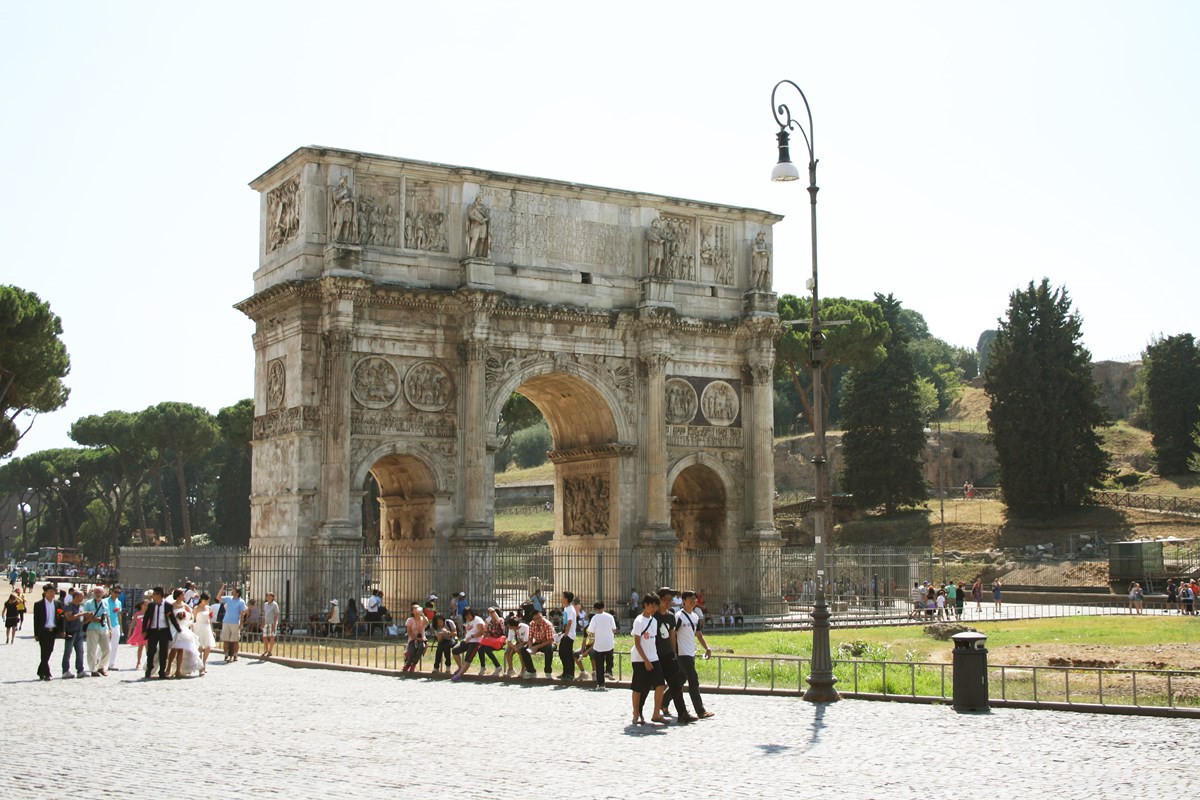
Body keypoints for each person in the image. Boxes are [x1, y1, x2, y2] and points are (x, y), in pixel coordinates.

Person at [648, 587, 694, 723]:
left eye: (670, 599)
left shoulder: (671, 616)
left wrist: (674, 653)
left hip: (668, 655)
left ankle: (683, 713)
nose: (668, 602)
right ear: (659, 600)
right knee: (651, 686)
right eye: (665, 600)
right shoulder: (653, 617)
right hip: (655, 656)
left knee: (675, 685)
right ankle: (639, 713)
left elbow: (672, 636)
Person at [675, 590, 713, 718]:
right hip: (681, 653)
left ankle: (664, 702)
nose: (693, 601)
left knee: (680, 680)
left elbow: (699, 634)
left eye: (694, 598)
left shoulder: (695, 616)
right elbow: (673, 634)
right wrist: (674, 651)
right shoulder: (678, 616)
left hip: (690, 652)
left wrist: (707, 648)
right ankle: (700, 711)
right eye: (690, 598)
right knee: (693, 680)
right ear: (684, 600)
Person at [630, 593, 665, 725]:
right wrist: (646, 661)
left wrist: (652, 658)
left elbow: (652, 640)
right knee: (638, 687)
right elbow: (638, 643)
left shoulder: (654, 621)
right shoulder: (639, 621)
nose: (654, 608)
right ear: (645, 605)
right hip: (639, 659)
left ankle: (656, 713)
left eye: (656, 606)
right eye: (652, 606)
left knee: (660, 684)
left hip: (653, 657)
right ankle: (636, 713)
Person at [141, 587, 178, 679]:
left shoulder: (168, 605)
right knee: (151, 652)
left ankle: (162, 672)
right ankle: (149, 669)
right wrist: (144, 630)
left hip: (164, 631)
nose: (152, 596)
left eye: (154, 594)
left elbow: (172, 618)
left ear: (159, 595)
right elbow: (146, 618)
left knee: (163, 653)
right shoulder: (151, 605)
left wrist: (178, 629)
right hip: (153, 631)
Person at [34, 583, 64, 680]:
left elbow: (61, 618)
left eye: (53, 592)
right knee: (44, 651)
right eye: (50, 592)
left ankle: (40, 671)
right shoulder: (38, 604)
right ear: (45, 593)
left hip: (53, 630)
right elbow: (36, 620)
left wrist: (62, 630)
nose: (52, 594)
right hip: (43, 631)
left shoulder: (57, 604)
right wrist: (36, 634)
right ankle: (46, 673)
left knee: (49, 650)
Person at [586, 601, 617, 688]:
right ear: (604, 607)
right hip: (609, 642)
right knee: (609, 659)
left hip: (598, 644)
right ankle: (608, 671)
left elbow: (591, 630)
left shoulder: (594, 618)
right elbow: (614, 629)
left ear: (595, 609)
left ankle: (601, 684)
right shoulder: (610, 616)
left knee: (599, 665)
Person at [450, 607, 486, 682]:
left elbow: (482, 632)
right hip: (467, 641)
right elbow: (467, 631)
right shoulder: (466, 621)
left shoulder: (478, 620)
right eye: (466, 616)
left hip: (476, 641)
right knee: (455, 651)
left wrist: (471, 637)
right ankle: (460, 667)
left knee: (468, 658)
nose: (468, 617)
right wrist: (466, 638)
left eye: (469, 615)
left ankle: (459, 675)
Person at [82, 585, 111, 677]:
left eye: (100, 592)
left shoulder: (105, 603)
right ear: (94, 593)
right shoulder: (88, 603)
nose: (98, 594)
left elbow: (108, 616)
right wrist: (96, 619)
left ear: (103, 593)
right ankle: (92, 669)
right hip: (92, 628)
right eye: (96, 592)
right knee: (91, 650)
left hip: (104, 628)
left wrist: (110, 628)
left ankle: (101, 667)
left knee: (107, 649)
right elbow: (85, 616)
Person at [215, 584, 248, 662]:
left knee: (235, 640)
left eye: (233, 590)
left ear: (237, 592)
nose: (232, 591)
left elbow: (242, 613)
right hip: (226, 621)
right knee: (226, 639)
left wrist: (241, 624)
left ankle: (235, 655)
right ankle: (226, 654)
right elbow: (218, 597)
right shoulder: (228, 599)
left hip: (235, 622)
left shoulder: (241, 601)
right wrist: (222, 588)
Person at [61, 589, 85, 678]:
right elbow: (69, 618)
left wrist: (88, 616)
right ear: (76, 597)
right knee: (68, 651)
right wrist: (81, 614)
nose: (83, 598)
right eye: (81, 596)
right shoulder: (69, 606)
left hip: (79, 631)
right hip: (70, 631)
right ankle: (65, 671)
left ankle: (80, 670)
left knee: (80, 652)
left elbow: (83, 619)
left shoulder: (81, 606)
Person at [526, 605, 556, 677]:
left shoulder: (547, 624)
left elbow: (550, 640)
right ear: (533, 619)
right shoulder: (532, 624)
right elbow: (530, 638)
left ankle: (548, 671)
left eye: (540, 617)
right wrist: (530, 647)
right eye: (536, 619)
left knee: (549, 649)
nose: (539, 620)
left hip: (549, 643)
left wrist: (536, 647)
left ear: (542, 616)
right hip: (537, 642)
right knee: (524, 650)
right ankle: (531, 671)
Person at [476, 607, 505, 676]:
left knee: (487, 649)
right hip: (490, 642)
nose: (491, 615)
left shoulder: (500, 620)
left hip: (499, 641)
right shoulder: (489, 622)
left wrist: (493, 611)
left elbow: (498, 622)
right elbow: (486, 633)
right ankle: (483, 667)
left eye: (492, 613)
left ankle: (498, 667)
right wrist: (485, 626)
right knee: (480, 649)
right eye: (489, 613)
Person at [192, 594, 217, 674]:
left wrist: (212, 630)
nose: (206, 602)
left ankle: (204, 663)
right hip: (199, 627)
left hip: (207, 627)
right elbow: (193, 619)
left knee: (208, 646)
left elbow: (210, 620)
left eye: (207, 601)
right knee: (199, 646)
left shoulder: (208, 608)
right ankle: (200, 666)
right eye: (205, 600)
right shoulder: (196, 608)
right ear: (202, 599)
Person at [557, 591, 578, 681]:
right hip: (566, 634)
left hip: (569, 635)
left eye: (562, 597)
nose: (560, 598)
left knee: (566, 654)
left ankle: (570, 673)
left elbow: (569, 622)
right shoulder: (566, 608)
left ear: (566, 599)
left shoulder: (570, 609)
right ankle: (566, 672)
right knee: (562, 653)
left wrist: (565, 634)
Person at [402, 604, 428, 673]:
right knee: (412, 652)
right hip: (412, 639)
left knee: (421, 647)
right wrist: (416, 638)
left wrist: (422, 614)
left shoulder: (423, 618)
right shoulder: (410, 620)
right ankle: (408, 664)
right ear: (412, 611)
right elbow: (409, 632)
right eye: (415, 608)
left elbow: (427, 622)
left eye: (418, 607)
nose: (417, 609)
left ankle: (414, 664)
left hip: (422, 639)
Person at [105, 585, 123, 671]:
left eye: (119, 593)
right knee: (105, 645)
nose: (117, 594)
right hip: (106, 625)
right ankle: (98, 661)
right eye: (115, 592)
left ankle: (111, 664)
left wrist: (121, 627)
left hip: (116, 625)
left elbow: (119, 615)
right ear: (111, 592)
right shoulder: (105, 601)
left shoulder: (118, 602)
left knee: (114, 646)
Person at [261, 591, 280, 658]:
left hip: (272, 622)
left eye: (270, 596)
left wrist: (274, 624)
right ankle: (266, 649)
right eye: (267, 596)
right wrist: (262, 622)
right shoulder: (265, 604)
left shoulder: (275, 604)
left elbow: (277, 614)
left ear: (272, 597)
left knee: (272, 637)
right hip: (266, 622)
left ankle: (270, 651)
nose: (268, 597)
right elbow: (264, 614)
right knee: (265, 637)